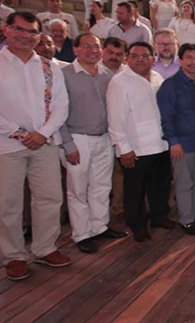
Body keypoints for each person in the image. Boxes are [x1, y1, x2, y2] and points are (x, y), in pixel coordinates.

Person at [0, 11, 71, 281]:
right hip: (4, 145)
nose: (25, 35)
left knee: (50, 197)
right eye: (19, 29)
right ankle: (14, 256)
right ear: (6, 30)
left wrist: (42, 134)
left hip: (44, 143)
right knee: (8, 202)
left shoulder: (49, 67)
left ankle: (44, 247)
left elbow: (61, 106)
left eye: (31, 31)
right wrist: (19, 133)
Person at [60, 33, 128, 254]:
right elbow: (57, 113)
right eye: (87, 46)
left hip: (104, 138)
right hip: (78, 138)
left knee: (101, 186)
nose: (93, 50)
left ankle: (99, 226)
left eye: (96, 46)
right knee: (78, 190)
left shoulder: (107, 75)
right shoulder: (65, 75)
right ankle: (81, 234)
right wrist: (68, 144)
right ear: (76, 49)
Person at [107, 42, 178, 242]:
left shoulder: (157, 77)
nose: (140, 59)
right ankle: (137, 225)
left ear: (152, 59)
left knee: (160, 184)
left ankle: (159, 216)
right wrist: (124, 148)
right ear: (127, 58)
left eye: (145, 55)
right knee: (135, 189)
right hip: (135, 147)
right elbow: (116, 118)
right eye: (135, 55)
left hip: (160, 143)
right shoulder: (119, 82)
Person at [157, 43, 195, 236]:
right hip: (182, 144)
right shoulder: (170, 86)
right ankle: (186, 219)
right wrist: (173, 142)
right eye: (189, 58)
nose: (193, 62)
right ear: (180, 60)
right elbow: (166, 118)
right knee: (184, 183)